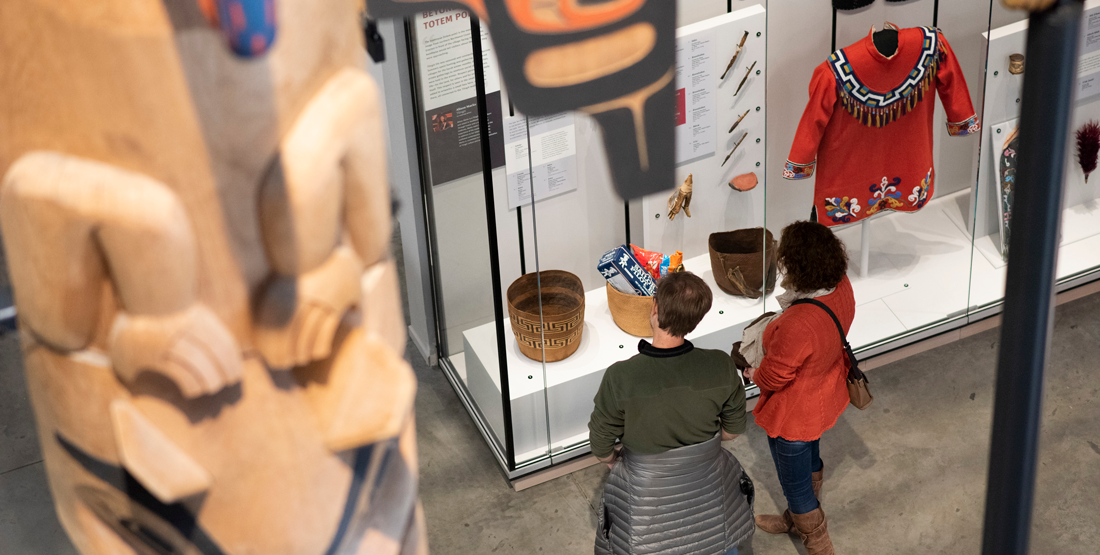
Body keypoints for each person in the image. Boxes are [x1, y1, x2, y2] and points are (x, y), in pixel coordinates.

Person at [589, 271, 753, 555]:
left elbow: (601, 446)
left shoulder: (621, 376)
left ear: (655, 309)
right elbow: (733, 429)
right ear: (697, 318)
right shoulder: (720, 364)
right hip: (708, 489)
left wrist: (616, 462)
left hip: (645, 504)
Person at [741, 221, 855, 555]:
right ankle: (794, 519)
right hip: (825, 392)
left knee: (797, 487)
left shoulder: (797, 322)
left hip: (793, 413)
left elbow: (774, 378)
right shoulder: (842, 285)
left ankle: (817, 540)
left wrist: (751, 373)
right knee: (812, 454)